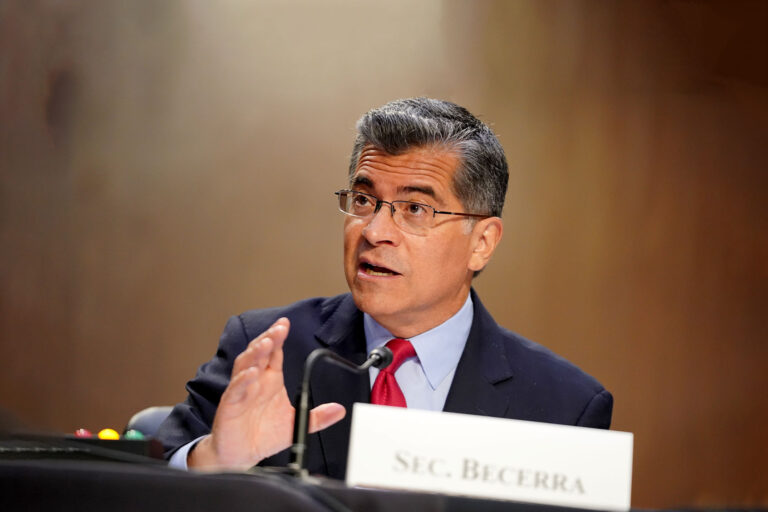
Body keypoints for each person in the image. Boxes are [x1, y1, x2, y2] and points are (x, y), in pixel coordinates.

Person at [155, 98, 613, 478]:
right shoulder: (271, 351)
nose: (375, 230)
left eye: (415, 208)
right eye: (363, 200)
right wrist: (214, 460)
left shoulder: (563, 407)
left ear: (482, 243)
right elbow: (139, 482)